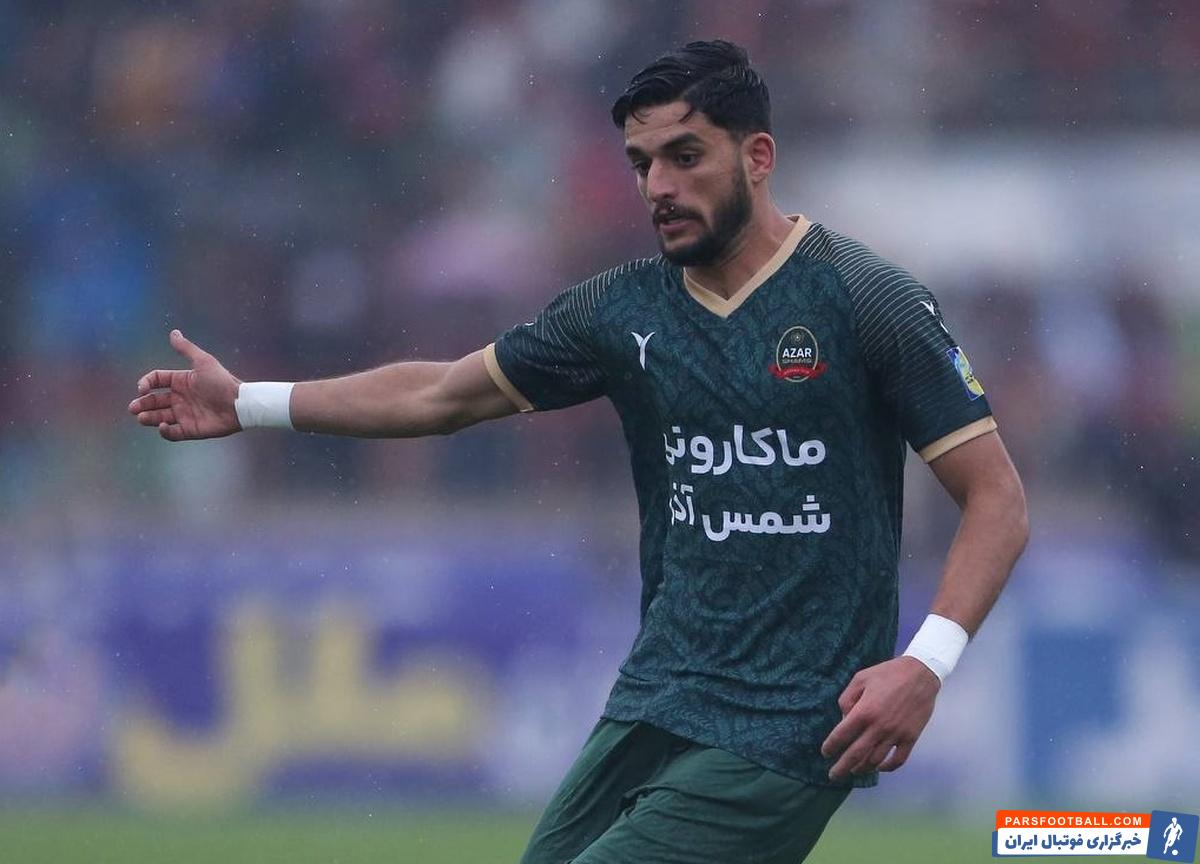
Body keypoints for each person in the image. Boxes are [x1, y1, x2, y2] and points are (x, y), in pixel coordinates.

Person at [129, 40, 1028, 864]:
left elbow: (997, 499)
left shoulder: (864, 299)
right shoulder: (618, 310)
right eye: (641, 164)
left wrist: (924, 663)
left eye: (685, 156)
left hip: (792, 723)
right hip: (657, 699)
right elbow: (444, 393)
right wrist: (250, 403)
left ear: (758, 157)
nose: (658, 186)